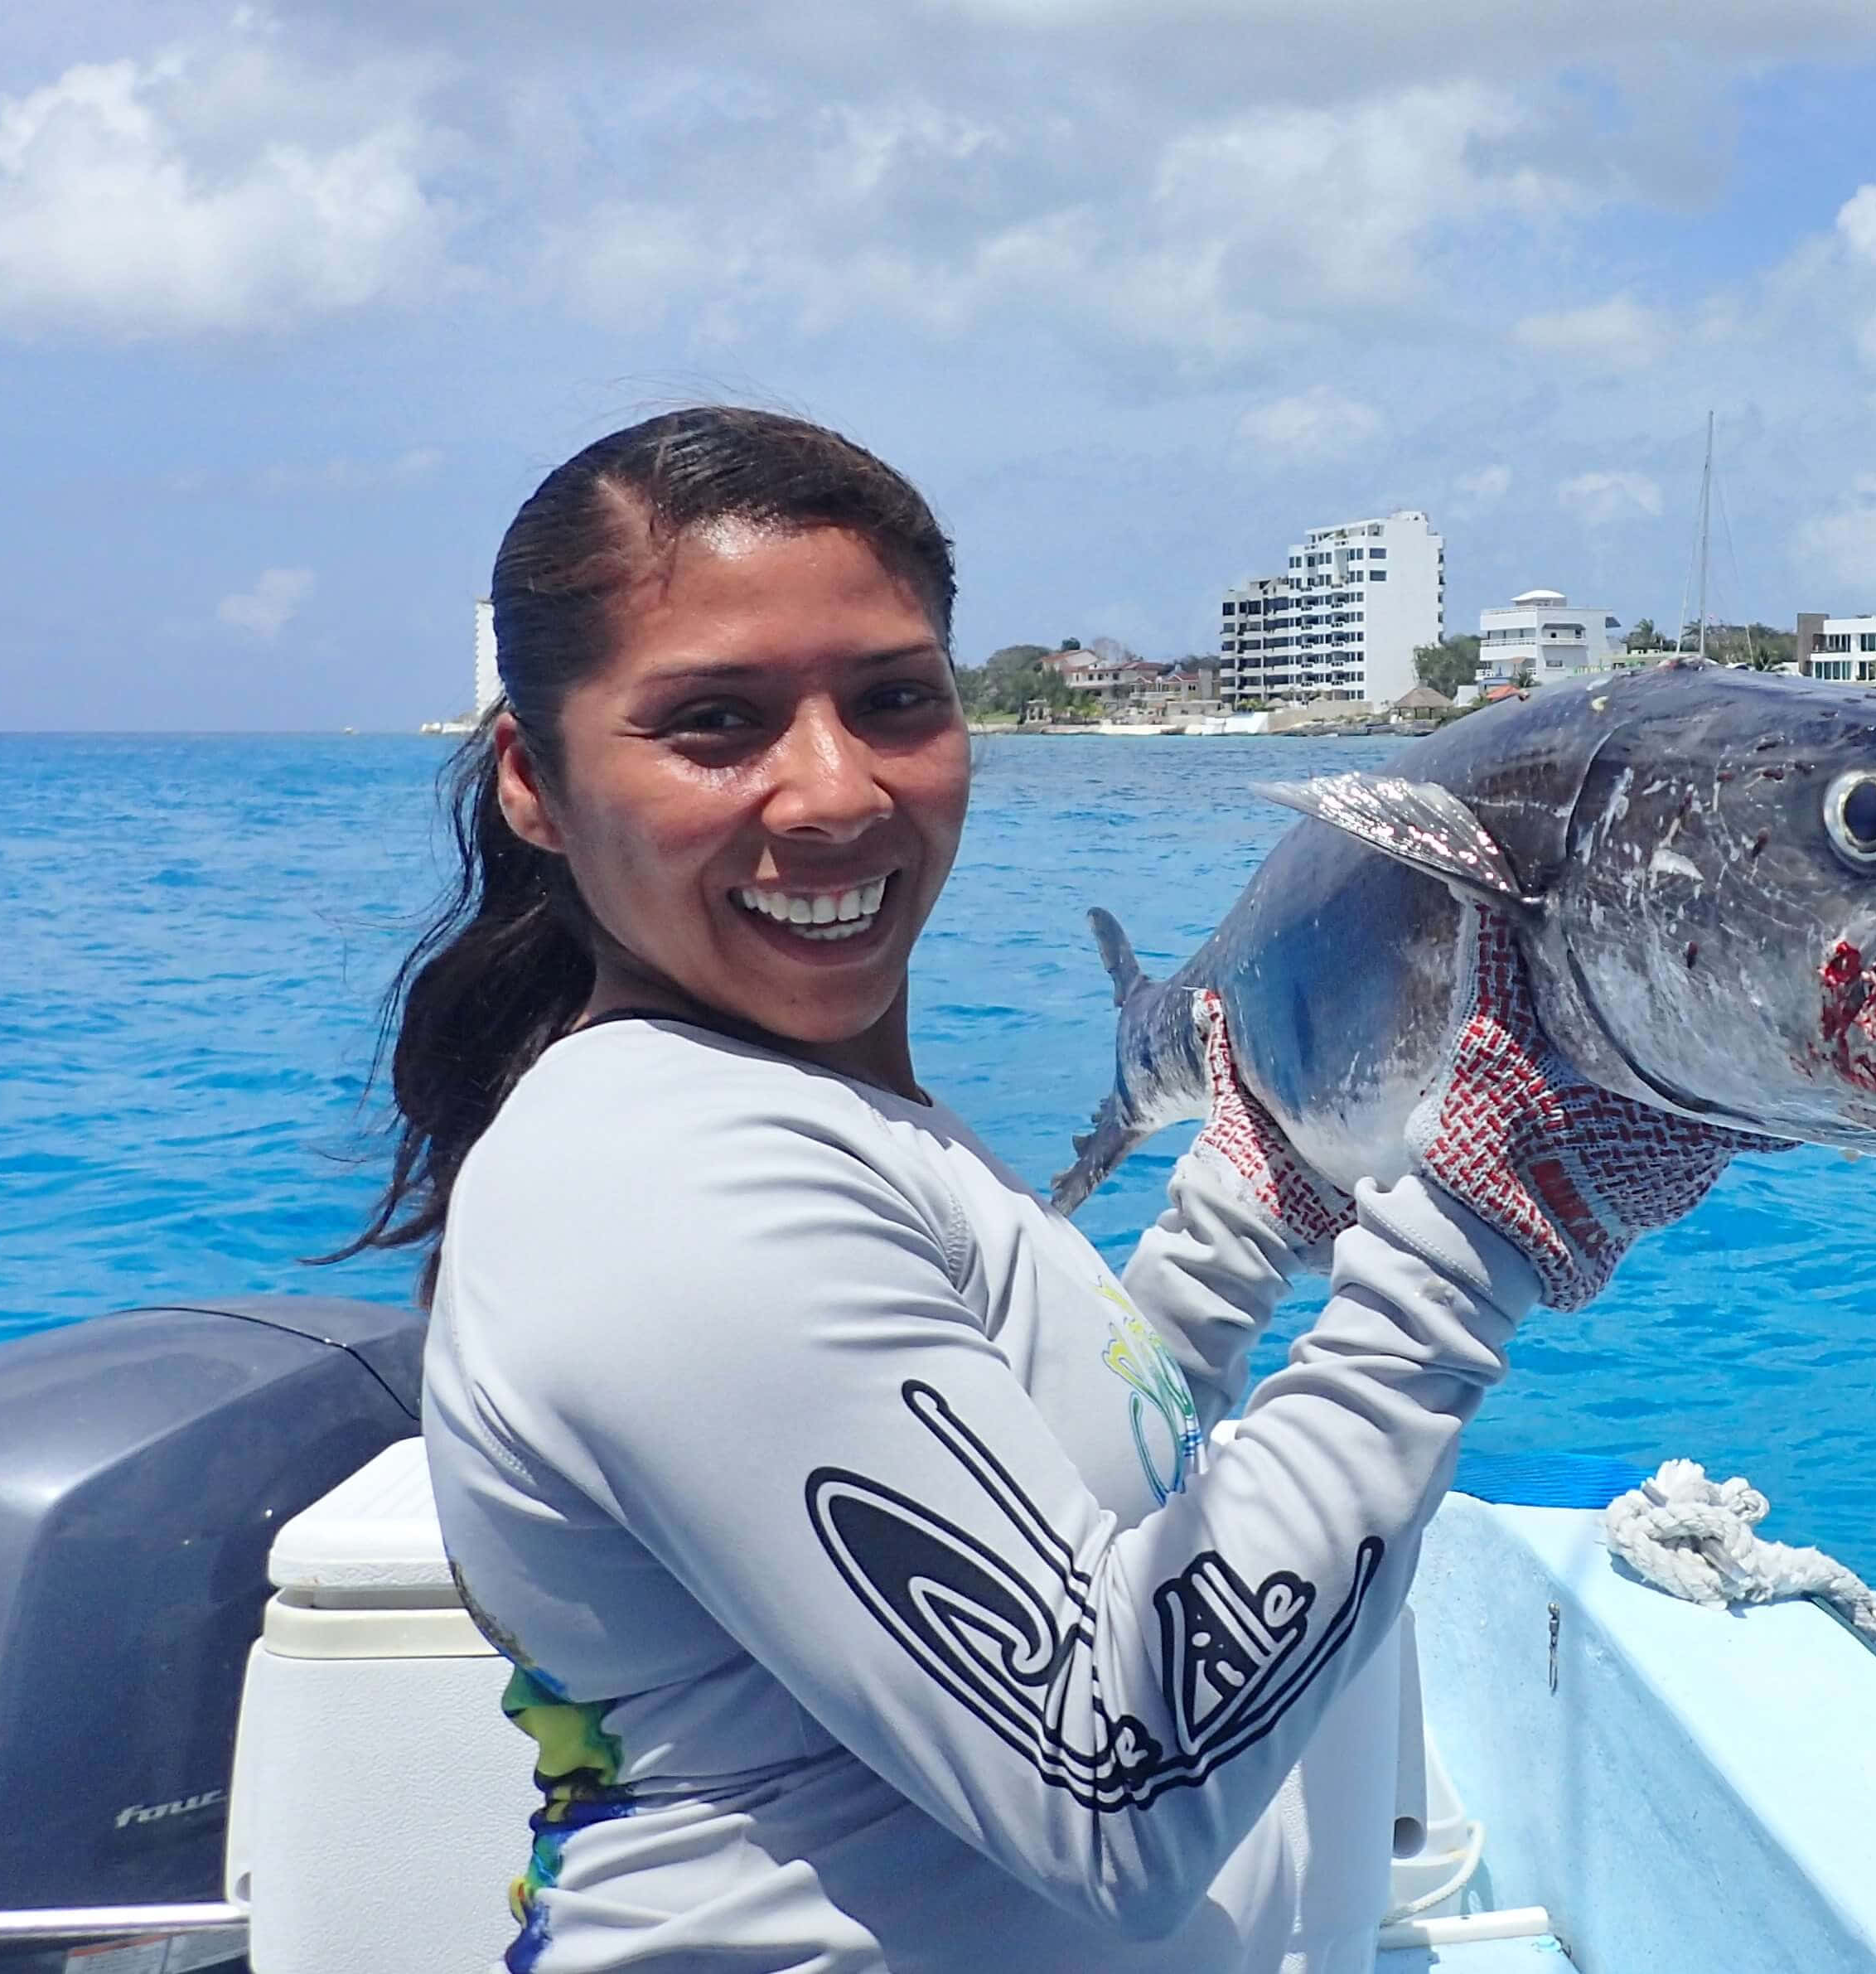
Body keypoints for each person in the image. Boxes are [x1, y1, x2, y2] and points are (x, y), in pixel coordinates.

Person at [331, 407, 1739, 1972]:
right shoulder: (654, 1178)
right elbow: (1112, 1781)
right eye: (715, 723)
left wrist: (1235, 1226)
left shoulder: (812, 1105)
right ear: (535, 776)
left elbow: (1051, 1453)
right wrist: (1473, 1238)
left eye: (895, 700)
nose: (832, 793)